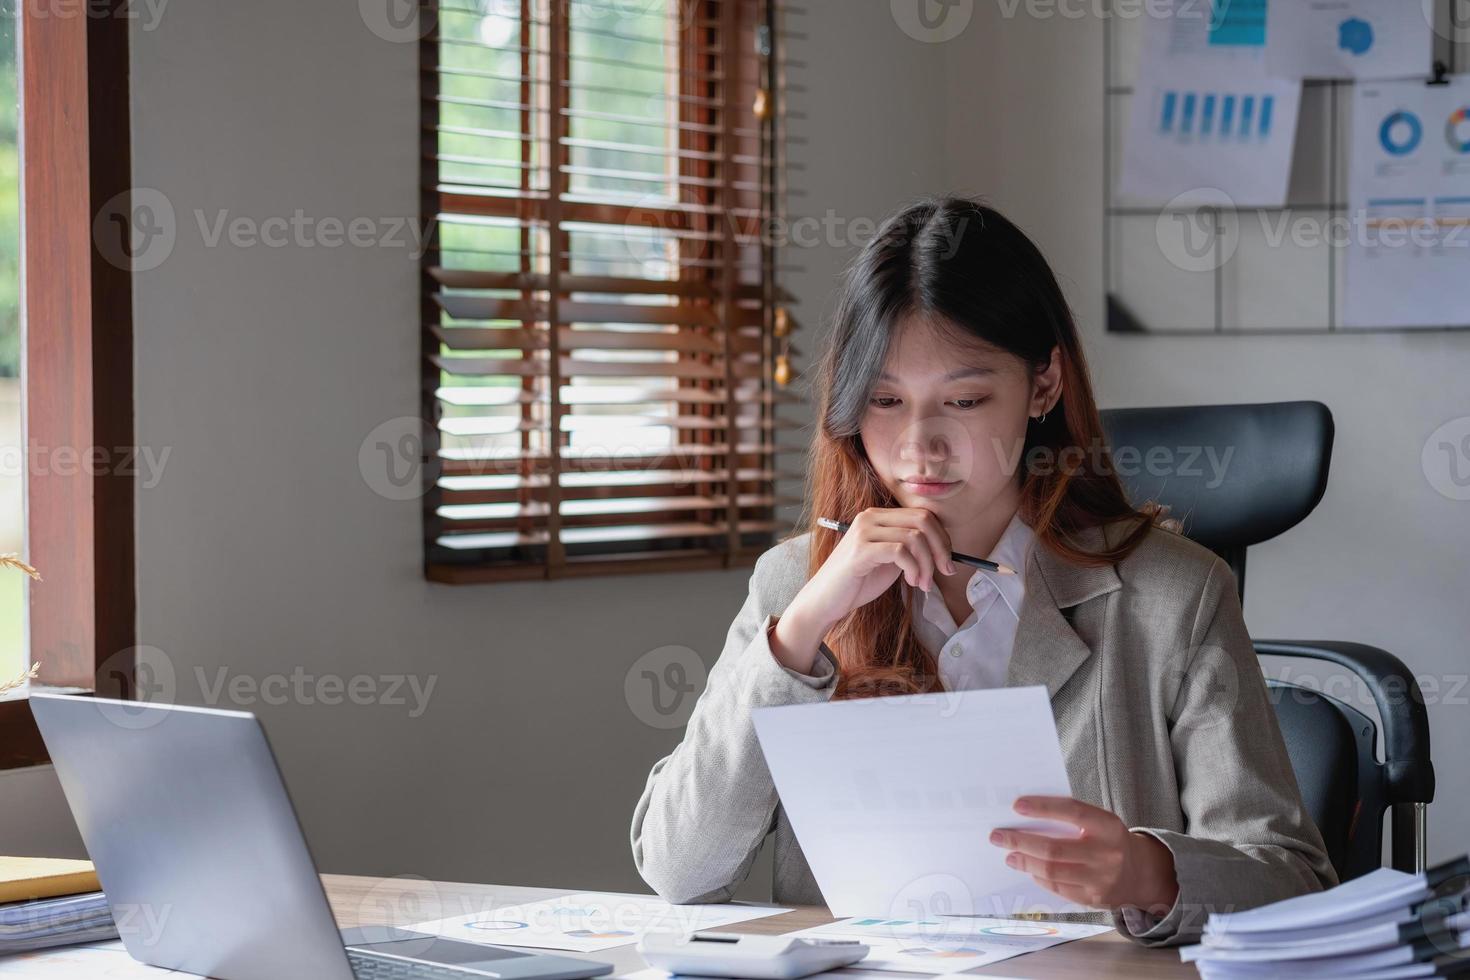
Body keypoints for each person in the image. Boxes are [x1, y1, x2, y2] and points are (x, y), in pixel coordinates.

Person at [629, 196, 1336, 946]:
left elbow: (1291, 878)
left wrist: (1148, 872)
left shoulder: (1174, 596)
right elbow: (679, 869)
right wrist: (803, 629)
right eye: (885, 401)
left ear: (1043, 385)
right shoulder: (792, 588)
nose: (919, 445)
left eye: (963, 400)